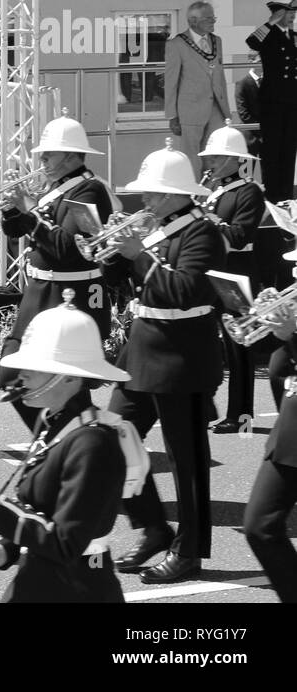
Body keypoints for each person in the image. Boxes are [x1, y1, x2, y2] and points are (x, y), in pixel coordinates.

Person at [0, 295, 138, 603]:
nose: (20, 376)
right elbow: (42, 511)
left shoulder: (93, 444)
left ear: (68, 376)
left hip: (77, 590)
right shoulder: (56, 423)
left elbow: (65, 542)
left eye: (33, 368)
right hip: (42, 579)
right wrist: (5, 550)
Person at [107, 139, 223, 585]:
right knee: (113, 441)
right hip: (140, 352)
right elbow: (124, 280)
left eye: (153, 193)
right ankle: (154, 527)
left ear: (176, 194)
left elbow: (184, 292)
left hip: (182, 358)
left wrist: (139, 255)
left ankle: (189, 551)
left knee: (186, 462)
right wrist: (115, 253)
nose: (146, 200)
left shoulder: (201, 233)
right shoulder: (160, 226)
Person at [0, 113, 114, 426]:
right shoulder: (56, 189)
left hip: (69, 293)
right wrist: (11, 209)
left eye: (49, 154)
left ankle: (67, 434)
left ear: (72, 156)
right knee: (9, 371)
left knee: (62, 378)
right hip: (38, 291)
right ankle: (63, 432)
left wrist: (28, 208)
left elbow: (66, 249)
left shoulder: (90, 190)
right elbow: (15, 231)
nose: (42, 160)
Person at [197, 125, 266, 434]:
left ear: (234, 159)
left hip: (237, 274)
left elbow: (240, 236)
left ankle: (241, 416)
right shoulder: (214, 190)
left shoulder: (249, 191)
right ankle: (205, 406)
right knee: (205, 343)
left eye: (215, 157)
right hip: (211, 272)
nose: (209, 162)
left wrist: (208, 221)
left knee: (239, 348)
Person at [242, 296, 297, 603]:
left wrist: (292, 334)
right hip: (292, 430)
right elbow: (278, 366)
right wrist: (274, 323)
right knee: (260, 526)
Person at [164, 2, 228, 177]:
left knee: (215, 155)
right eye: (208, 18)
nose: (213, 21)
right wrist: (172, 115)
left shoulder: (217, 41)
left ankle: (212, 190)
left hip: (216, 109)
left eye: (213, 17)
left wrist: (226, 111)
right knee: (191, 158)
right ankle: (193, 191)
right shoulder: (177, 44)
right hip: (190, 109)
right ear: (193, 21)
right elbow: (171, 81)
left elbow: (220, 78)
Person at [246, 0, 297, 202]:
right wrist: (270, 23)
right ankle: (273, 195)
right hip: (273, 102)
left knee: (289, 149)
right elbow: (251, 41)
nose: (293, 16)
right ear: (278, 13)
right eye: (288, 12)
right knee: (272, 150)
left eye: (294, 12)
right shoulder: (268, 35)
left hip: (292, 101)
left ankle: (286, 196)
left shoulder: (294, 36)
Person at [236, 57, 263, 156]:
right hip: (250, 137)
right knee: (249, 165)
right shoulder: (242, 83)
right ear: (250, 62)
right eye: (260, 61)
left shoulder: (269, 83)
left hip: (268, 136)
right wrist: (261, 133)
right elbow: (243, 113)